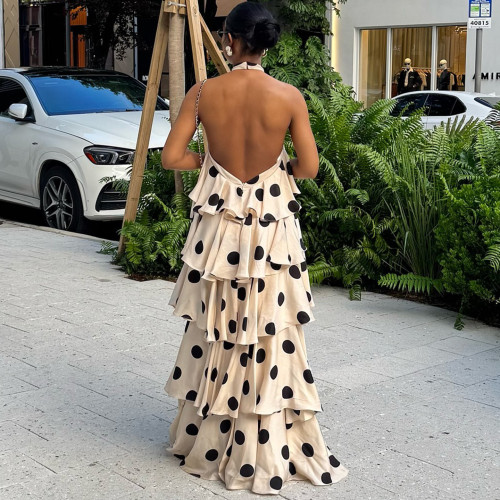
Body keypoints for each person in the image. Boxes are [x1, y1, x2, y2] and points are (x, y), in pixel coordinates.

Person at [161, 2, 348, 495]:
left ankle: (209, 438)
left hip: (218, 235)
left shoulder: (203, 93)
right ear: (266, 44)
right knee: (268, 332)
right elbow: (308, 168)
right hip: (270, 234)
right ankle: (265, 439)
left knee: (217, 330)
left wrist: (211, 163)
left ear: (230, 39)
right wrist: (277, 169)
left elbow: (172, 157)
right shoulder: (288, 96)